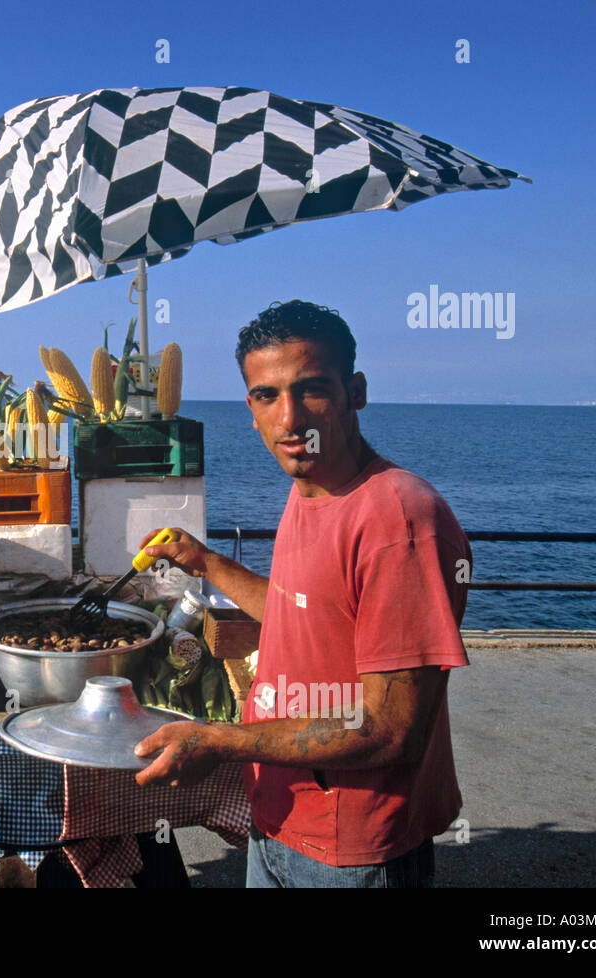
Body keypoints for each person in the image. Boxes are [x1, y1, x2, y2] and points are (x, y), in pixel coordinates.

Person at [134, 299, 472, 888]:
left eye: (311, 389)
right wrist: (206, 561)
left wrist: (219, 740)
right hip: (279, 816)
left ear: (355, 391)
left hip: (352, 848)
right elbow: (302, 617)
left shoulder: (398, 520)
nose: (290, 418)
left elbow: (390, 727)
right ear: (251, 408)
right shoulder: (310, 487)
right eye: (268, 395)